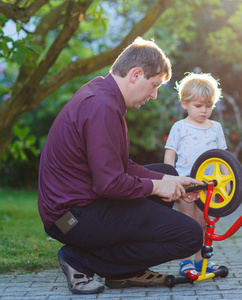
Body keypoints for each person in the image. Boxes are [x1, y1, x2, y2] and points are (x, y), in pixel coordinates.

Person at [38, 37, 204, 295]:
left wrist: (168, 181)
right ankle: (80, 260)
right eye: (154, 85)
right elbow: (109, 183)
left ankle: (126, 272)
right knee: (190, 235)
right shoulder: (101, 106)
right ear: (136, 74)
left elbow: (121, 166)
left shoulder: (103, 94)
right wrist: (156, 186)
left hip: (84, 204)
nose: (154, 94)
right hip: (71, 217)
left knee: (169, 173)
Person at [163, 72, 227, 276]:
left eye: (208, 106)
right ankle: (186, 261)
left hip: (209, 185)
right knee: (187, 223)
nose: (204, 111)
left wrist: (226, 185)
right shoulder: (179, 127)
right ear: (184, 104)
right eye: (198, 106)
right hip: (185, 184)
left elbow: (224, 157)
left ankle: (201, 261)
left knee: (203, 223)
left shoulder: (215, 128)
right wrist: (169, 180)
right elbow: (169, 154)